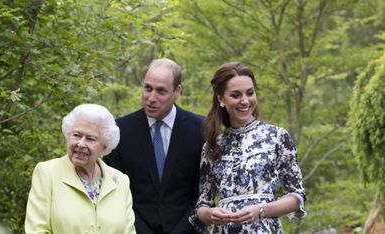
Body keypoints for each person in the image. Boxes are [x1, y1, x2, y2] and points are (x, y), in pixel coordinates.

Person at [189, 62, 307, 233]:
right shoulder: (212, 146)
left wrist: (261, 210)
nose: (245, 101)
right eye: (236, 95)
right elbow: (202, 206)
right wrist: (211, 214)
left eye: (250, 93)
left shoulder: (277, 137)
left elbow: (297, 196)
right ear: (221, 99)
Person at [104, 58, 204, 233]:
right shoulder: (119, 130)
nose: (151, 98)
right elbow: (115, 193)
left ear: (177, 91)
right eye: (148, 88)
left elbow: (203, 193)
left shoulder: (201, 129)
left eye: (161, 91)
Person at [25, 104, 136, 234]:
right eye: (77, 135)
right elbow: (37, 230)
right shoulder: (47, 172)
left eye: (90, 139)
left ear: (105, 146)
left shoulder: (120, 181)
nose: (81, 144)